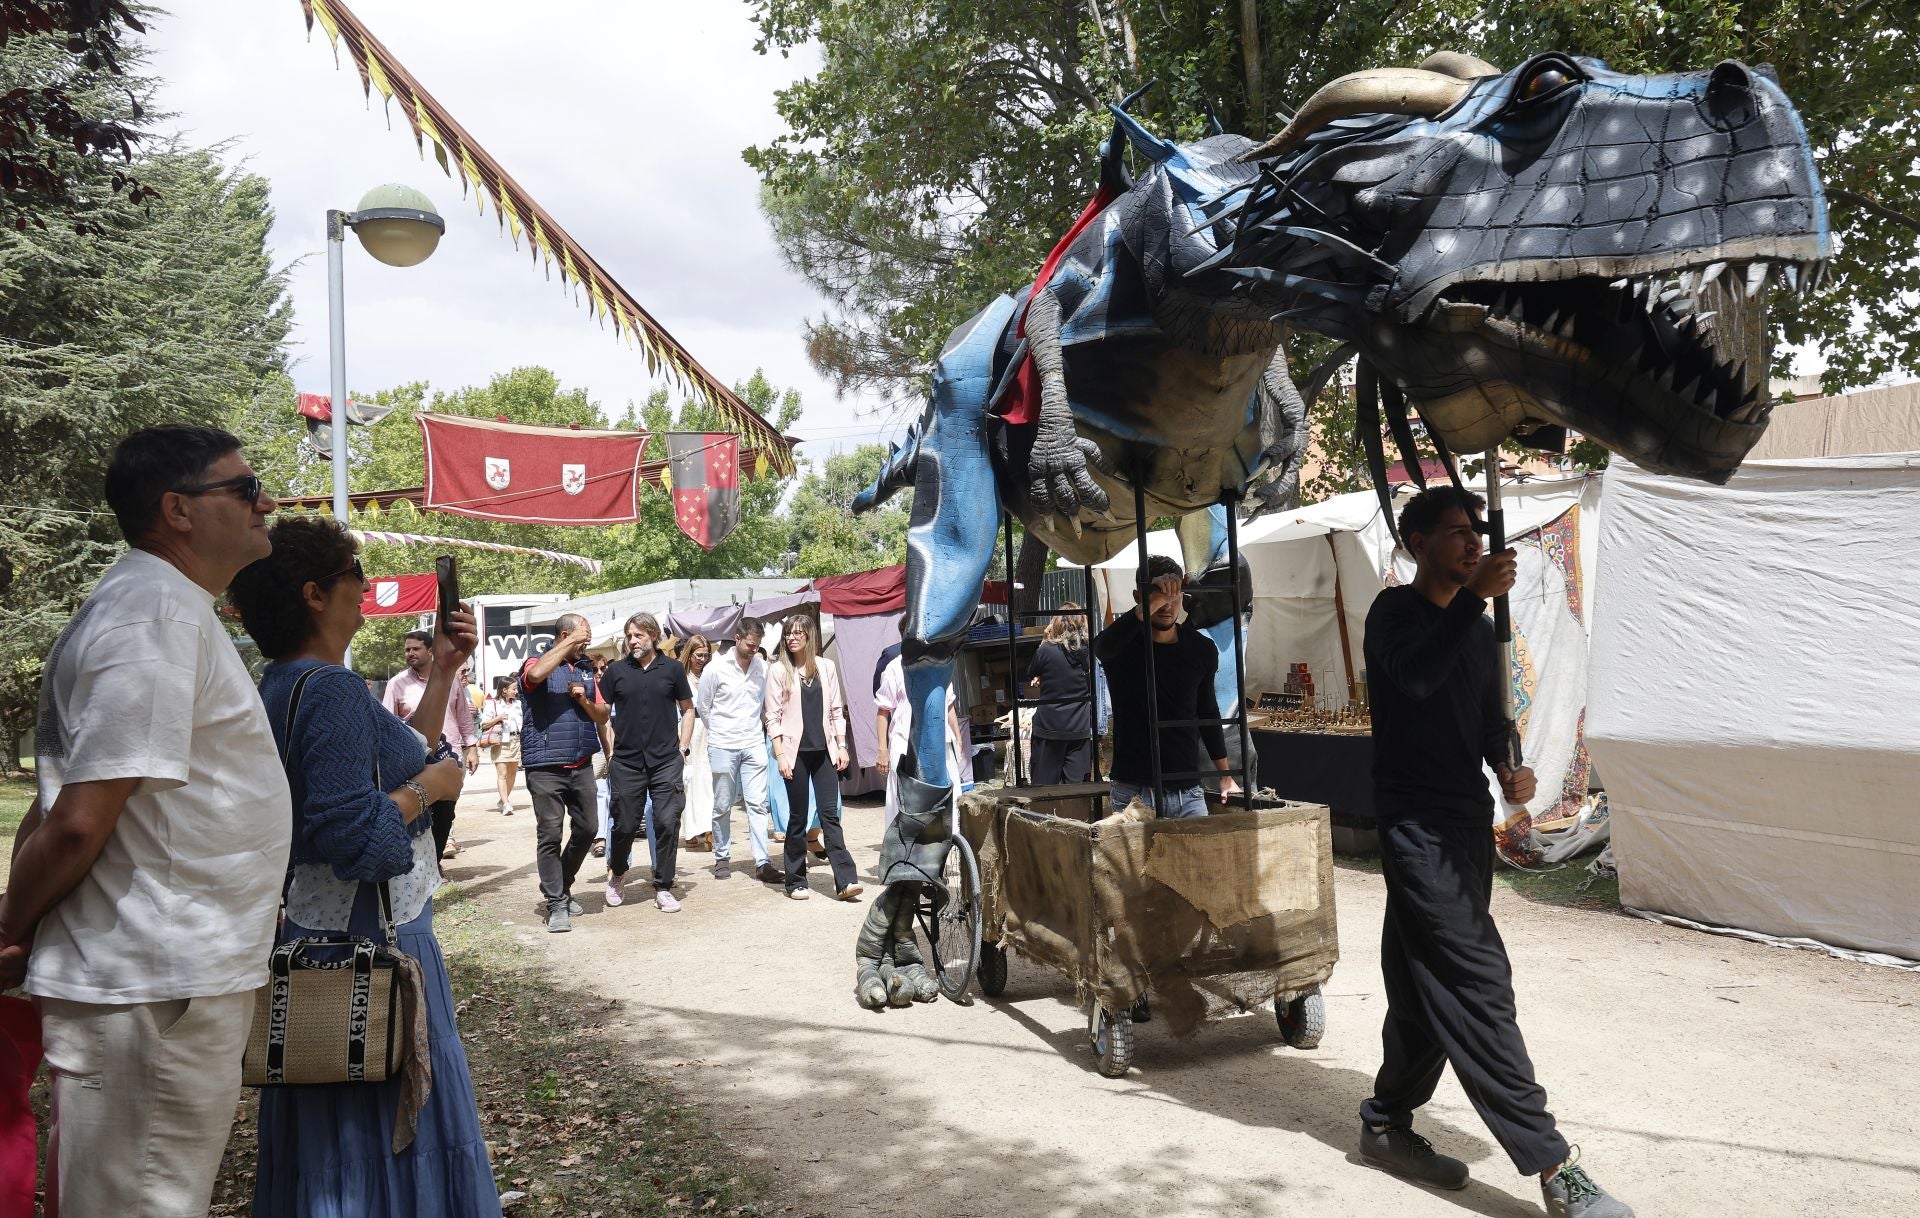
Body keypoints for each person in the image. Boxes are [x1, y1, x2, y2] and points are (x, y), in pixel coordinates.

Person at [0, 425, 291, 1216]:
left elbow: (58, 802)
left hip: (162, 980)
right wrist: (11, 929)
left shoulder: (161, 609)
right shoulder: (153, 618)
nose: (266, 500)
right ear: (178, 510)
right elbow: (76, 820)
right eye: (244, 486)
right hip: (151, 984)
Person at [1357, 487, 1633, 1218]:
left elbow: (1488, 720)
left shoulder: (1478, 633)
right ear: (1417, 543)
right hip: (1412, 826)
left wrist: (1510, 764)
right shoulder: (1394, 615)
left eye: (1476, 531)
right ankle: (1553, 1165)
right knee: (1479, 977)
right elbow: (1416, 678)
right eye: (1455, 533)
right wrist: (1473, 601)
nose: (1473, 542)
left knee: (1423, 984)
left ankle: (1386, 1120)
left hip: (1463, 824)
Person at [229, 515, 501, 1217]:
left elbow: (383, 761)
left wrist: (442, 671)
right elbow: (359, 837)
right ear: (316, 593)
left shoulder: (284, 684)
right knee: (382, 1147)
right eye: (357, 577)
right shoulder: (332, 690)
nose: (367, 590)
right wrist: (430, 791)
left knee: (331, 1154)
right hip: (373, 951)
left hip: (317, 943)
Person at [1094, 554, 1241, 818]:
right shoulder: (1123, 646)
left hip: (1187, 790)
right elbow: (1102, 647)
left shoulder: (1200, 649)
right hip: (1134, 790)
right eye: (1157, 596)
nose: (1166, 605)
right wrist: (1152, 601)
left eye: (1174, 596)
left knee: (1197, 860)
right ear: (1138, 596)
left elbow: (1207, 712)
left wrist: (1225, 775)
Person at [599, 613, 695, 912]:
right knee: (625, 825)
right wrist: (610, 753)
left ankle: (664, 886)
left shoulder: (673, 669)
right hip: (626, 762)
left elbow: (688, 710)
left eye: (638, 635)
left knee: (667, 822)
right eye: (629, 636)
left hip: (666, 759)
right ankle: (617, 872)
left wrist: (683, 748)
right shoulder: (615, 671)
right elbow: (602, 715)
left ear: (654, 636)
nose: (632, 641)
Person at [520, 614, 607, 933]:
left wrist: (583, 698)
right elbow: (536, 675)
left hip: (580, 762)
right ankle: (556, 902)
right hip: (544, 766)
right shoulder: (534, 660)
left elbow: (603, 713)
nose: (586, 643)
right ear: (566, 635)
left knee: (588, 827)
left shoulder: (584, 668)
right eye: (583, 637)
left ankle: (562, 884)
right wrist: (572, 640)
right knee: (550, 833)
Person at [764, 615, 861, 901]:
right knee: (798, 816)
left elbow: (835, 710)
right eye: (788, 634)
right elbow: (772, 716)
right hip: (793, 754)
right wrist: (780, 755)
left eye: (797, 633)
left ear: (809, 637)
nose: (792, 638)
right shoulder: (779, 671)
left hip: (824, 753)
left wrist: (842, 746)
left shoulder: (826, 667)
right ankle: (795, 880)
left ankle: (846, 880)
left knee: (831, 815)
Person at [382, 628, 479, 859]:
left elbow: (463, 716)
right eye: (407, 650)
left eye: (415, 648)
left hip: (450, 755)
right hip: (415, 761)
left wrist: (472, 747)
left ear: (430, 651)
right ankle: (424, 861)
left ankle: (436, 858)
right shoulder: (397, 684)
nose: (410, 653)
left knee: (447, 810)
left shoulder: (451, 681)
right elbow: (387, 722)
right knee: (420, 810)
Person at [698, 620, 780, 883]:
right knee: (723, 803)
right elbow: (704, 706)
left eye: (757, 646)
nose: (754, 650)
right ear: (737, 638)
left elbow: (766, 704)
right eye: (750, 645)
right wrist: (720, 732)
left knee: (758, 803)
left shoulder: (762, 667)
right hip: (723, 744)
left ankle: (762, 861)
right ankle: (722, 856)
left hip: (754, 741)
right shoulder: (715, 668)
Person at [873, 653, 964, 825]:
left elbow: (949, 704)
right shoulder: (894, 667)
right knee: (904, 800)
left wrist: (957, 737)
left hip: (941, 743)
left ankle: (951, 843)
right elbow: (883, 710)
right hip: (905, 745)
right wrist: (882, 750)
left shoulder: (941, 663)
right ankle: (902, 846)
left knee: (948, 797)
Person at [1024, 602, 1096, 784]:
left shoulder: (1047, 650)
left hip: (1048, 728)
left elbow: (1030, 672)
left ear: (1055, 623)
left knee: (1043, 789)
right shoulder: (1090, 651)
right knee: (1075, 791)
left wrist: (1044, 638)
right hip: (1079, 729)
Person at [678, 634, 717, 857]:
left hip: (711, 731)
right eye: (698, 655)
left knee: (709, 780)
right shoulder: (681, 677)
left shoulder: (711, 675)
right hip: (689, 731)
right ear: (689, 655)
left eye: (705, 655)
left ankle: (709, 828)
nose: (702, 659)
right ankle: (691, 829)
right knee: (690, 781)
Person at [480, 675, 523, 814]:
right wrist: (498, 718)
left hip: (516, 741)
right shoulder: (493, 704)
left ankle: (503, 799)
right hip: (501, 742)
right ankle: (505, 804)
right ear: (504, 690)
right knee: (502, 774)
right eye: (513, 689)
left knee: (512, 773)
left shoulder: (518, 704)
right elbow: (484, 724)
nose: (516, 692)